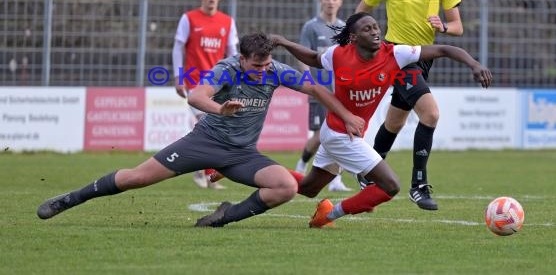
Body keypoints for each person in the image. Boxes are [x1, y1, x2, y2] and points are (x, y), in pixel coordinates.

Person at [36, 33, 365, 228]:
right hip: (205, 142)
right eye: (256, 65)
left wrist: (347, 115)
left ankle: (223, 217)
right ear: (241, 58)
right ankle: (69, 199)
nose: (262, 71)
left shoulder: (276, 71)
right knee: (136, 178)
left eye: (266, 65)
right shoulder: (226, 69)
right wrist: (220, 109)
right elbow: (197, 95)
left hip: (241, 154)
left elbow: (317, 90)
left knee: (283, 187)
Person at [270, 12, 491, 227]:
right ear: (354, 37)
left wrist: (475, 64)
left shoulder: (396, 54)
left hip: (345, 132)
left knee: (309, 188)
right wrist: (283, 42)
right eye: (367, 29)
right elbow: (313, 58)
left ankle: (261, 172)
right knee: (390, 185)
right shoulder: (338, 54)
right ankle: (328, 215)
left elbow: (443, 49)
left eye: (376, 27)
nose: (375, 32)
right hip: (340, 134)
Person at [355, 0, 464, 210]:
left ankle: (367, 171)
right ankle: (419, 185)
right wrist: (361, 42)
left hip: (424, 58)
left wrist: (444, 26)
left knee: (395, 122)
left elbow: (457, 27)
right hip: (397, 57)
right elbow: (359, 14)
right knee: (430, 114)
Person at [172, 0, 239, 190]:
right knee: (205, 122)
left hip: (218, 84)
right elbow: (178, 47)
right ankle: (204, 172)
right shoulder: (189, 18)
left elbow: (233, 53)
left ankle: (206, 173)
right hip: (194, 84)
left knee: (214, 126)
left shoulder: (227, 22)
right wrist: (178, 75)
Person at [295, 0, 352, 192]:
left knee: (341, 133)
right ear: (321, 1)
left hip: (340, 90)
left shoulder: (344, 28)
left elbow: (348, 57)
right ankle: (301, 164)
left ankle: (335, 180)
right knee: (320, 135)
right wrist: (309, 79)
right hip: (319, 90)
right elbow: (303, 55)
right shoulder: (311, 27)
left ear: (340, 1)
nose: (330, 2)